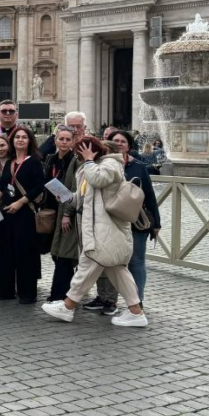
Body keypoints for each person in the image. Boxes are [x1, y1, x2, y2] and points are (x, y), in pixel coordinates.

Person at [41, 136, 148, 327]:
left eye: (80, 151)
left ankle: (67, 306)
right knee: (117, 270)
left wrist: (89, 160)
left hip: (106, 229)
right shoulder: (91, 167)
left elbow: (98, 180)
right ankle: (136, 312)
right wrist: (67, 197)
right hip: (99, 229)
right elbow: (85, 197)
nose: (79, 156)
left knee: (87, 267)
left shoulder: (111, 163)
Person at [107, 129, 161, 305]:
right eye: (115, 141)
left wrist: (156, 222)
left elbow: (150, 195)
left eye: (123, 141)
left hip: (135, 219)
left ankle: (137, 302)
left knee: (136, 261)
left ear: (129, 145)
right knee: (111, 260)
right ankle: (108, 299)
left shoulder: (138, 166)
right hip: (111, 220)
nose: (119, 144)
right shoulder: (104, 164)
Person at [0, 126, 44, 303]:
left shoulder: (34, 161)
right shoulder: (10, 162)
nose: (20, 140)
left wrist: (20, 202)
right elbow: (2, 184)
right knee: (6, 251)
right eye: (17, 137)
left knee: (25, 253)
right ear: (12, 141)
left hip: (25, 212)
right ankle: (5, 290)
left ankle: (27, 293)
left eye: (24, 137)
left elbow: (38, 187)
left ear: (29, 141)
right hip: (7, 212)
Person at [45, 125, 79, 301]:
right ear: (55, 140)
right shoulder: (51, 159)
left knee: (64, 254)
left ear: (73, 142)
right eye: (61, 139)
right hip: (51, 210)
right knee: (56, 252)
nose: (64, 142)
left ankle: (59, 295)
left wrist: (67, 213)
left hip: (66, 211)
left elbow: (74, 189)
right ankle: (64, 293)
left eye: (68, 139)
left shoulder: (75, 160)